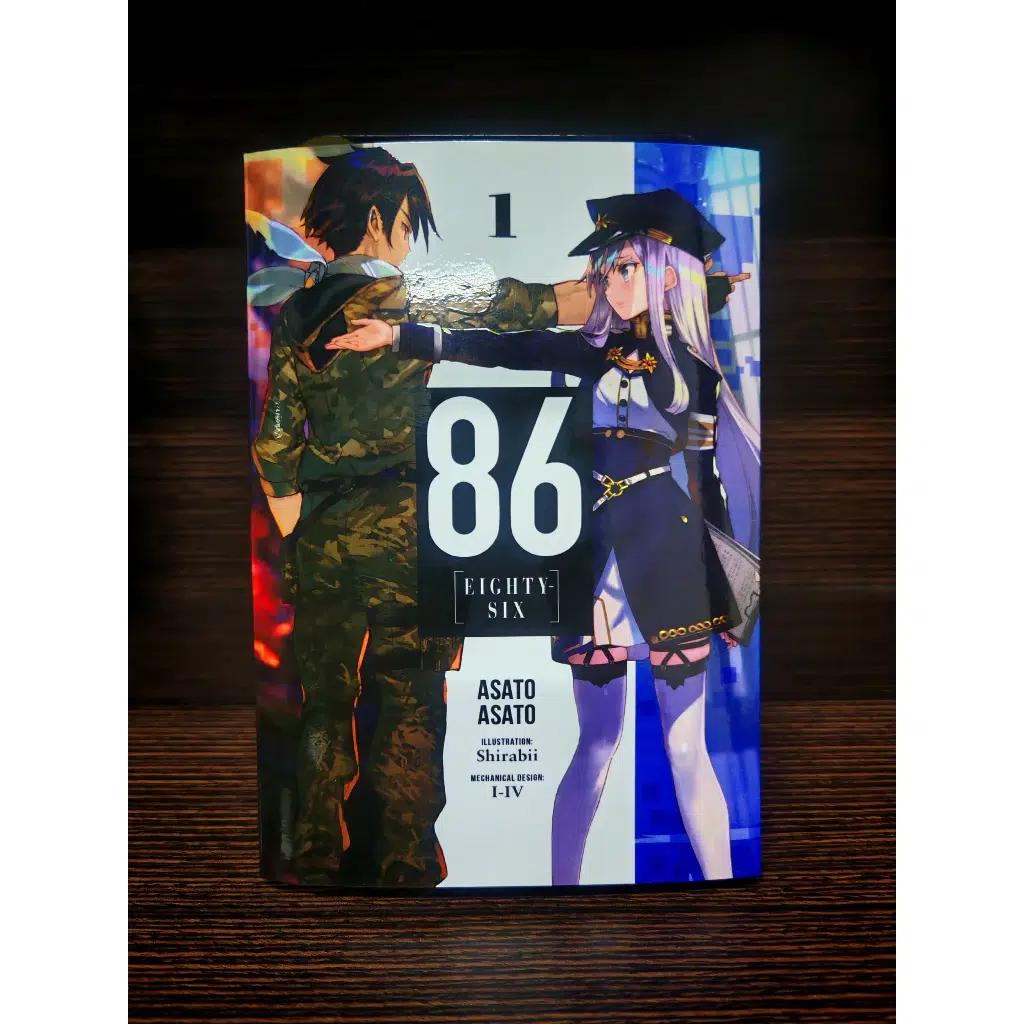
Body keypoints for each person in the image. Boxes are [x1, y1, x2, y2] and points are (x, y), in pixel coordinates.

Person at [328, 188, 761, 884]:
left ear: (668, 274)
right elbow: (501, 350)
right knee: (595, 744)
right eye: (605, 271)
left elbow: (707, 485)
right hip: (591, 555)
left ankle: (724, 887)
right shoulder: (592, 351)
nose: (610, 283)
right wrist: (401, 336)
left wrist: (731, 598)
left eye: (627, 267)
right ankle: (563, 889)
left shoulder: (696, 372)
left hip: (672, 555)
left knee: (687, 748)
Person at [248, 146, 559, 886]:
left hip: (326, 533)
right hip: (416, 534)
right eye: (407, 225)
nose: (409, 241)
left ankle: (316, 849)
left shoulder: (296, 313)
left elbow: (275, 443)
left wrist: (300, 529)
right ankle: (404, 857)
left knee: (326, 701)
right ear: (379, 220)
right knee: (414, 696)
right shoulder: (422, 294)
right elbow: (533, 303)